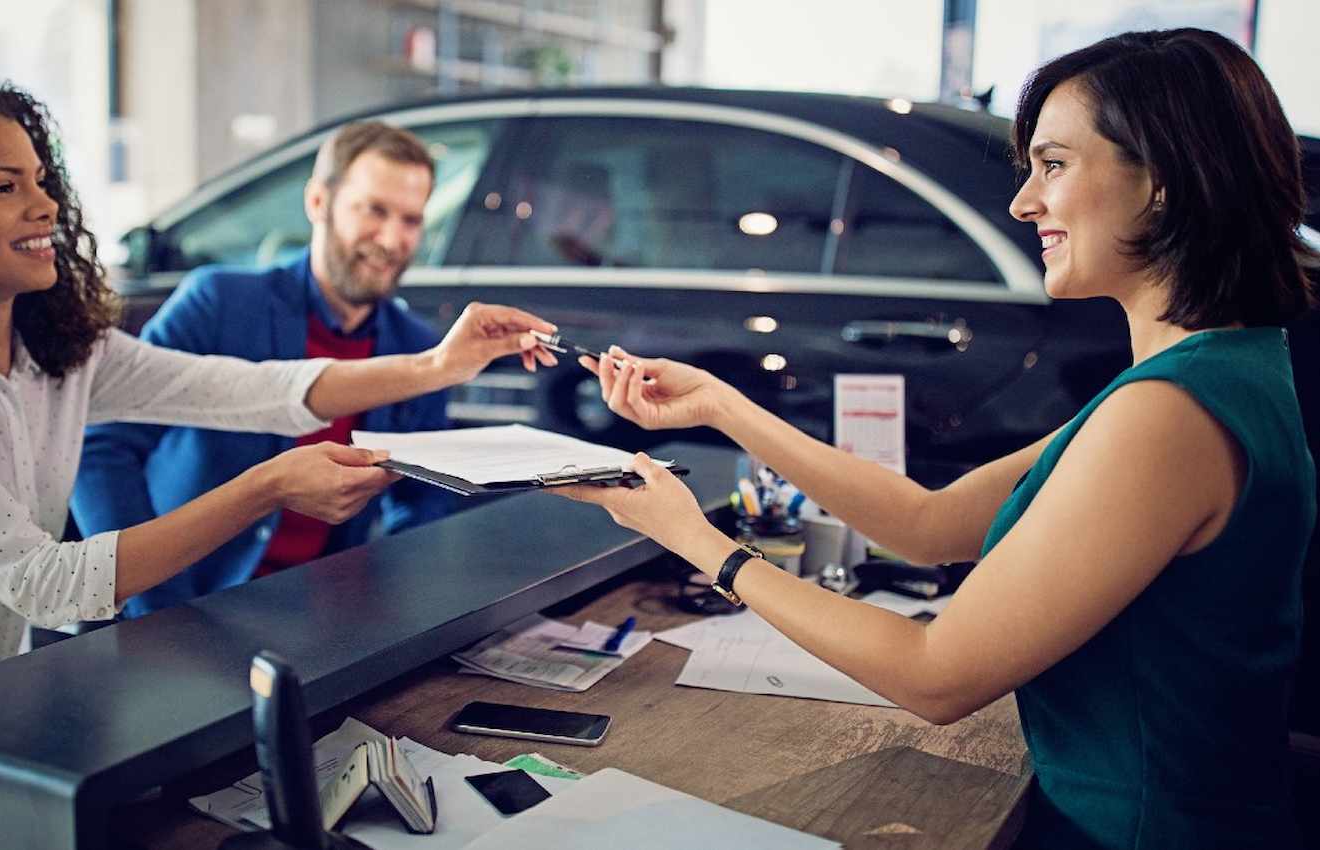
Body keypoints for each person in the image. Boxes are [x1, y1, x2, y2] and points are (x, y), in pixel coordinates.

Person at [0, 75, 556, 850]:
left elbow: (254, 392)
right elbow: (47, 581)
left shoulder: (55, 354)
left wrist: (436, 366)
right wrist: (269, 485)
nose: (45, 204)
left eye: (39, 179)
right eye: (2, 186)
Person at [557, 29, 1316, 850]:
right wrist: (724, 407)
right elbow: (931, 524)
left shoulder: (1168, 414)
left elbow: (935, 674)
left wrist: (697, 542)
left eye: (1052, 165)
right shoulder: (1216, 369)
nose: (1024, 202)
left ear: (1162, 179)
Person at [73, 122, 454, 618]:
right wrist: (151, 606)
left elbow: (422, 503)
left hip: (320, 613)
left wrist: (396, 609)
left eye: (410, 220)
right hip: (187, 600)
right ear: (318, 203)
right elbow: (101, 447)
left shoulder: (418, 351)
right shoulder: (219, 303)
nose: (391, 239)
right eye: (374, 210)